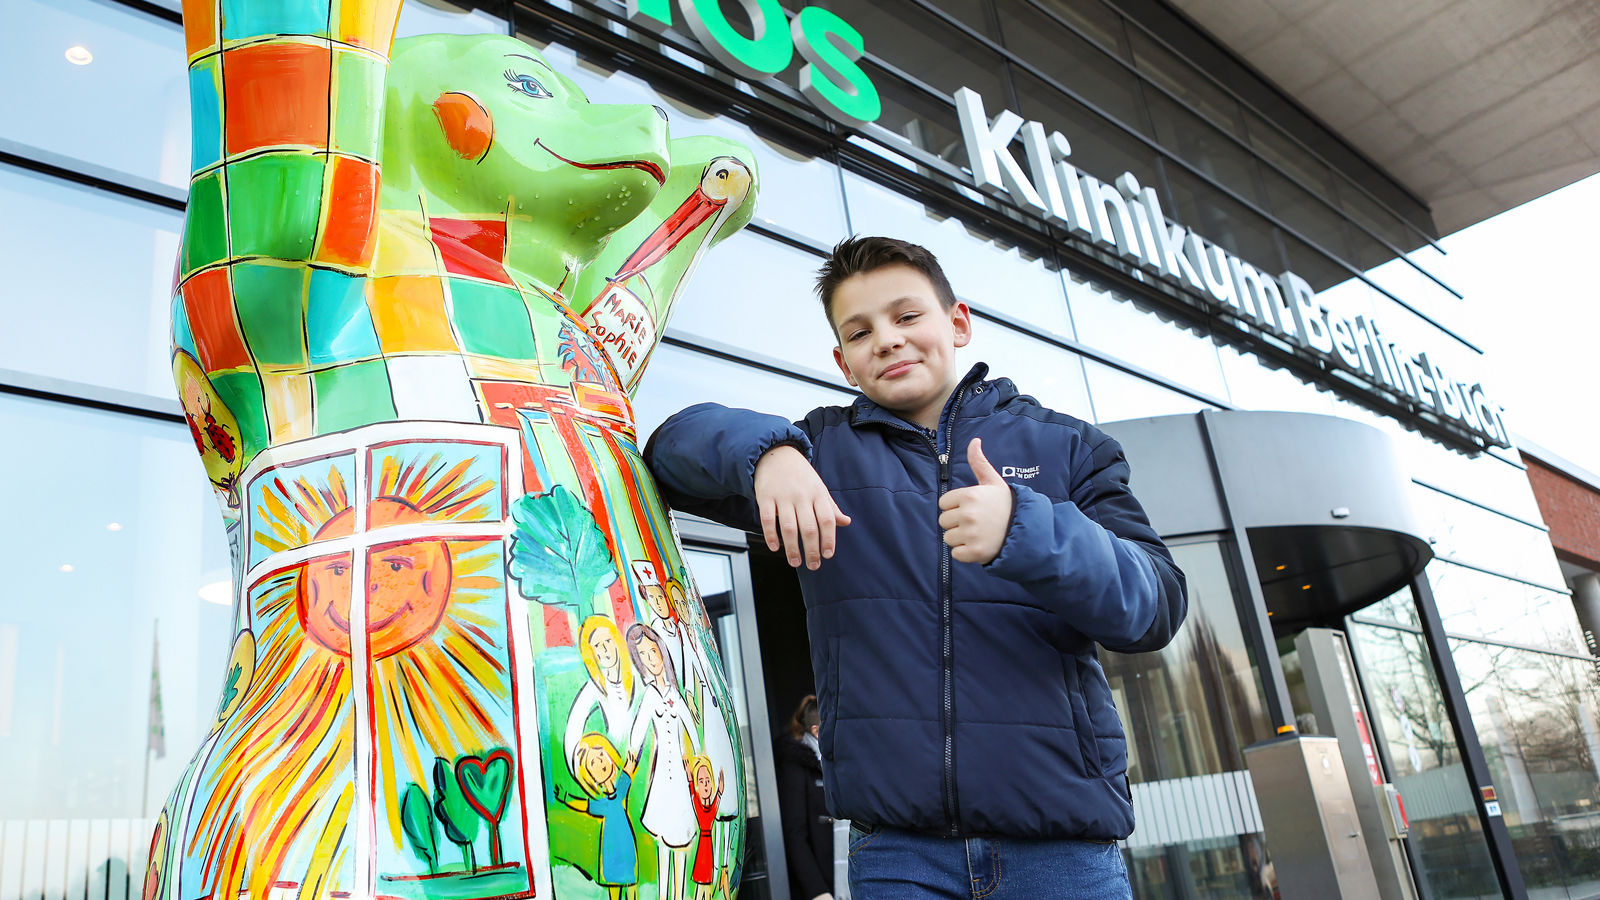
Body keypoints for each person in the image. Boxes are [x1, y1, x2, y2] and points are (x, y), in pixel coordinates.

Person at [644, 236, 1188, 899]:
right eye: (861, 331)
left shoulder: (1069, 446)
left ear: (957, 322)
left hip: (1062, 854)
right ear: (843, 362)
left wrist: (1025, 526)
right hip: (900, 858)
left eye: (907, 317)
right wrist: (769, 453)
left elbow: (1156, 605)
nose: (888, 340)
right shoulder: (823, 454)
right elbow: (671, 450)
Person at [775, 695, 834, 900]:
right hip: (822, 887)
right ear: (816, 731)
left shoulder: (839, 761)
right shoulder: (795, 765)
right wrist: (818, 891)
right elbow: (795, 833)